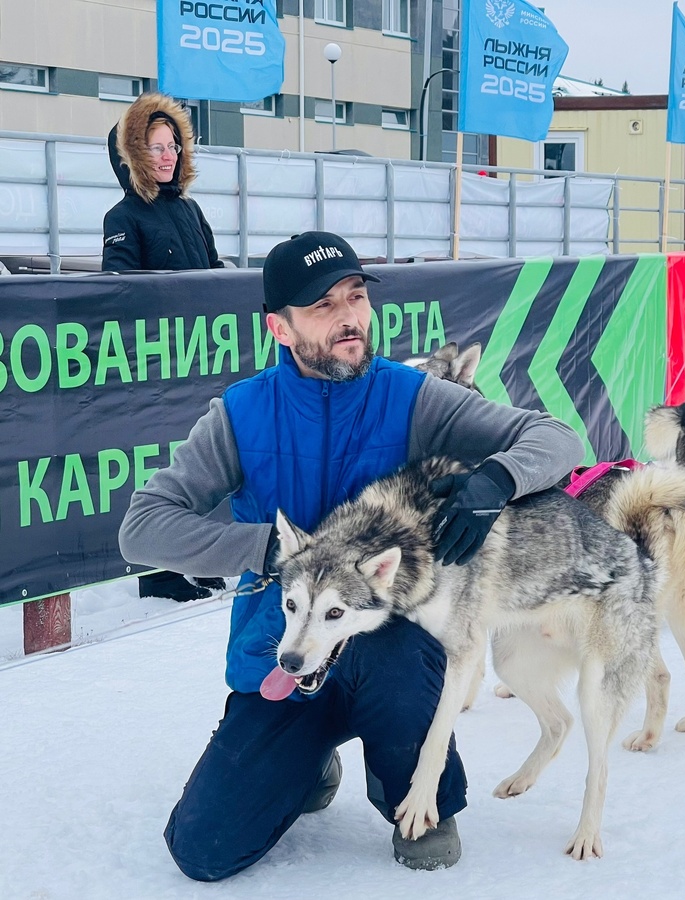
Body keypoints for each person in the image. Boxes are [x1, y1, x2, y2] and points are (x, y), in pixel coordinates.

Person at [118, 231, 584, 879]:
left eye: (355, 297)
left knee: (395, 660)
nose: (348, 317)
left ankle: (411, 790)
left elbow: (558, 437)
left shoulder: (410, 396)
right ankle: (310, 756)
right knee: (203, 850)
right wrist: (266, 552)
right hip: (282, 653)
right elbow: (142, 528)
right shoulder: (242, 415)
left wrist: (495, 480)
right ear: (279, 328)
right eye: (322, 306)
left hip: (391, 651)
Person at [102, 92, 226, 602]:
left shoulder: (193, 211)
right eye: (155, 147)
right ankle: (160, 574)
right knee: (164, 469)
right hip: (158, 370)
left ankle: (201, 557)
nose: (167, 154)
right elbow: (120, 291)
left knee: (206, 461)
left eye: (172, 144)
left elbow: (217, 274)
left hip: (202, 362)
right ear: (133, 155)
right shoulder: (123, 217)